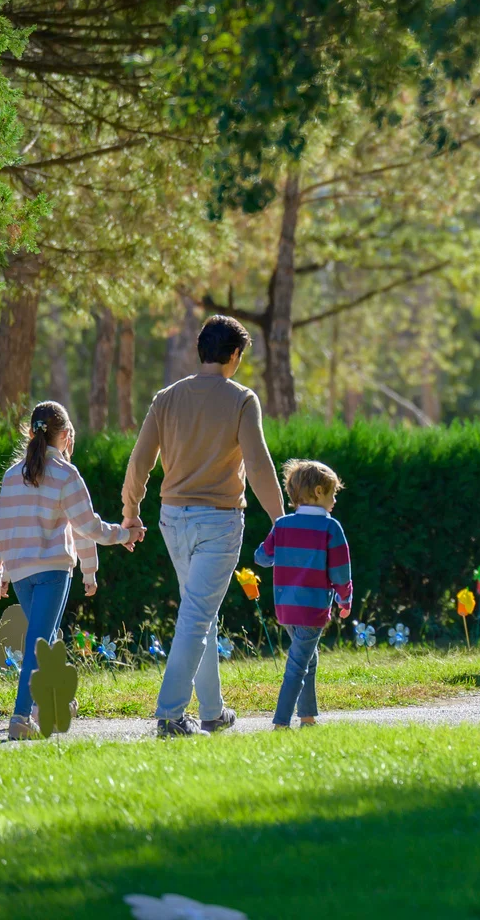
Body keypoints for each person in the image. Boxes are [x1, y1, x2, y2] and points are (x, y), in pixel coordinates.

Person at [122, 314, 286, 737]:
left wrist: (131, 510)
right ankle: (170, 716)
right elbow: (259, 464)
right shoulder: (241, 399)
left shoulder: (166, 398)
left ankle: (212, 712)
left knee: (201, 612)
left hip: (173, 519)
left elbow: (140, 461)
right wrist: (279, 520)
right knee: (197, 616)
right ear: (234, 355)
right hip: (219, 520)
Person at [0, 401, 142, 741]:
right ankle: (21, 716)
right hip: (53, 571)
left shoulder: (12, 477)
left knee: (46, 636)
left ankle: (53, 703)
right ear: (67, 435)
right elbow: (89, 527)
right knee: (40, 640)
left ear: (31, 433)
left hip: (21, 572)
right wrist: (124, 535)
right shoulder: (66, 475)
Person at [253, 459, 352, 729]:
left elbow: (262, 557)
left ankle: (307, 717)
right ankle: (281, 722)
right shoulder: (331, 528)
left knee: (308, 658)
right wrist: (345, 598)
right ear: (319, 492)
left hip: (286, 609)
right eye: (332, 494)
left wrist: (278, 542)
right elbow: (340, 571)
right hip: (312, 608)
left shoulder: (282, 525)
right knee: (298, 664)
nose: (334, 500)